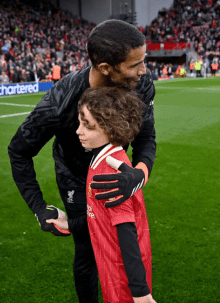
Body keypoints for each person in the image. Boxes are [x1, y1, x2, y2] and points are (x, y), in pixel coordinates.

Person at [8, 19, 156, 303]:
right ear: (105, 69)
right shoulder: (60, 103)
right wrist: (39, 208)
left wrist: (138, 174)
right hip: (74, 177)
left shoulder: (142, 85)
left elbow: (146, 139)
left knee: (124, 240)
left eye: (143, 60)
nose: (144, 70)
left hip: (118, 172)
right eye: (134, 64)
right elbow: (19, 151)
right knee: (87, 248)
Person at [48, 87, 155, 303]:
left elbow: (128, 237)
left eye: (87, 126)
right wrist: (71, 224)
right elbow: (99, 217)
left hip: (123, 277)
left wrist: (140, 292)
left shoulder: (111, 172)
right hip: (110, 267)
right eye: (80, 122)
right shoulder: (99, 158)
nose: (78, 131)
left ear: (111, 128)